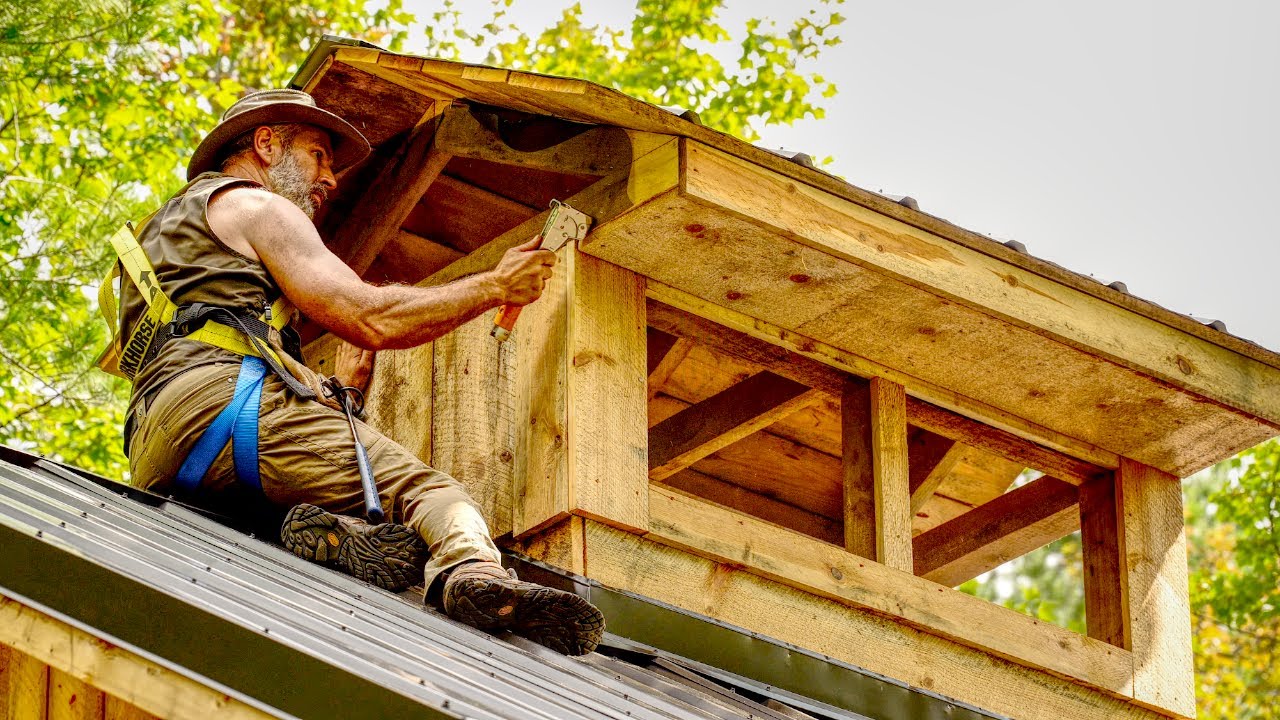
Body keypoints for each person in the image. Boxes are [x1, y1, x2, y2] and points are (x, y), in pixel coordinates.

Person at [115, 89, 604, 655]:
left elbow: (211, 333)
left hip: (157, 448)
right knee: (430, 495)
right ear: (267, 145)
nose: (332, 177)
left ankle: (333, 535)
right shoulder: (256, 206)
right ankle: (475, 576)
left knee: (340, 542)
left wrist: (341, 389)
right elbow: (369, 318)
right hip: (223, 410)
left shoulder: (166, 239)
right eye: (319, 154)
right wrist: (495, 285)